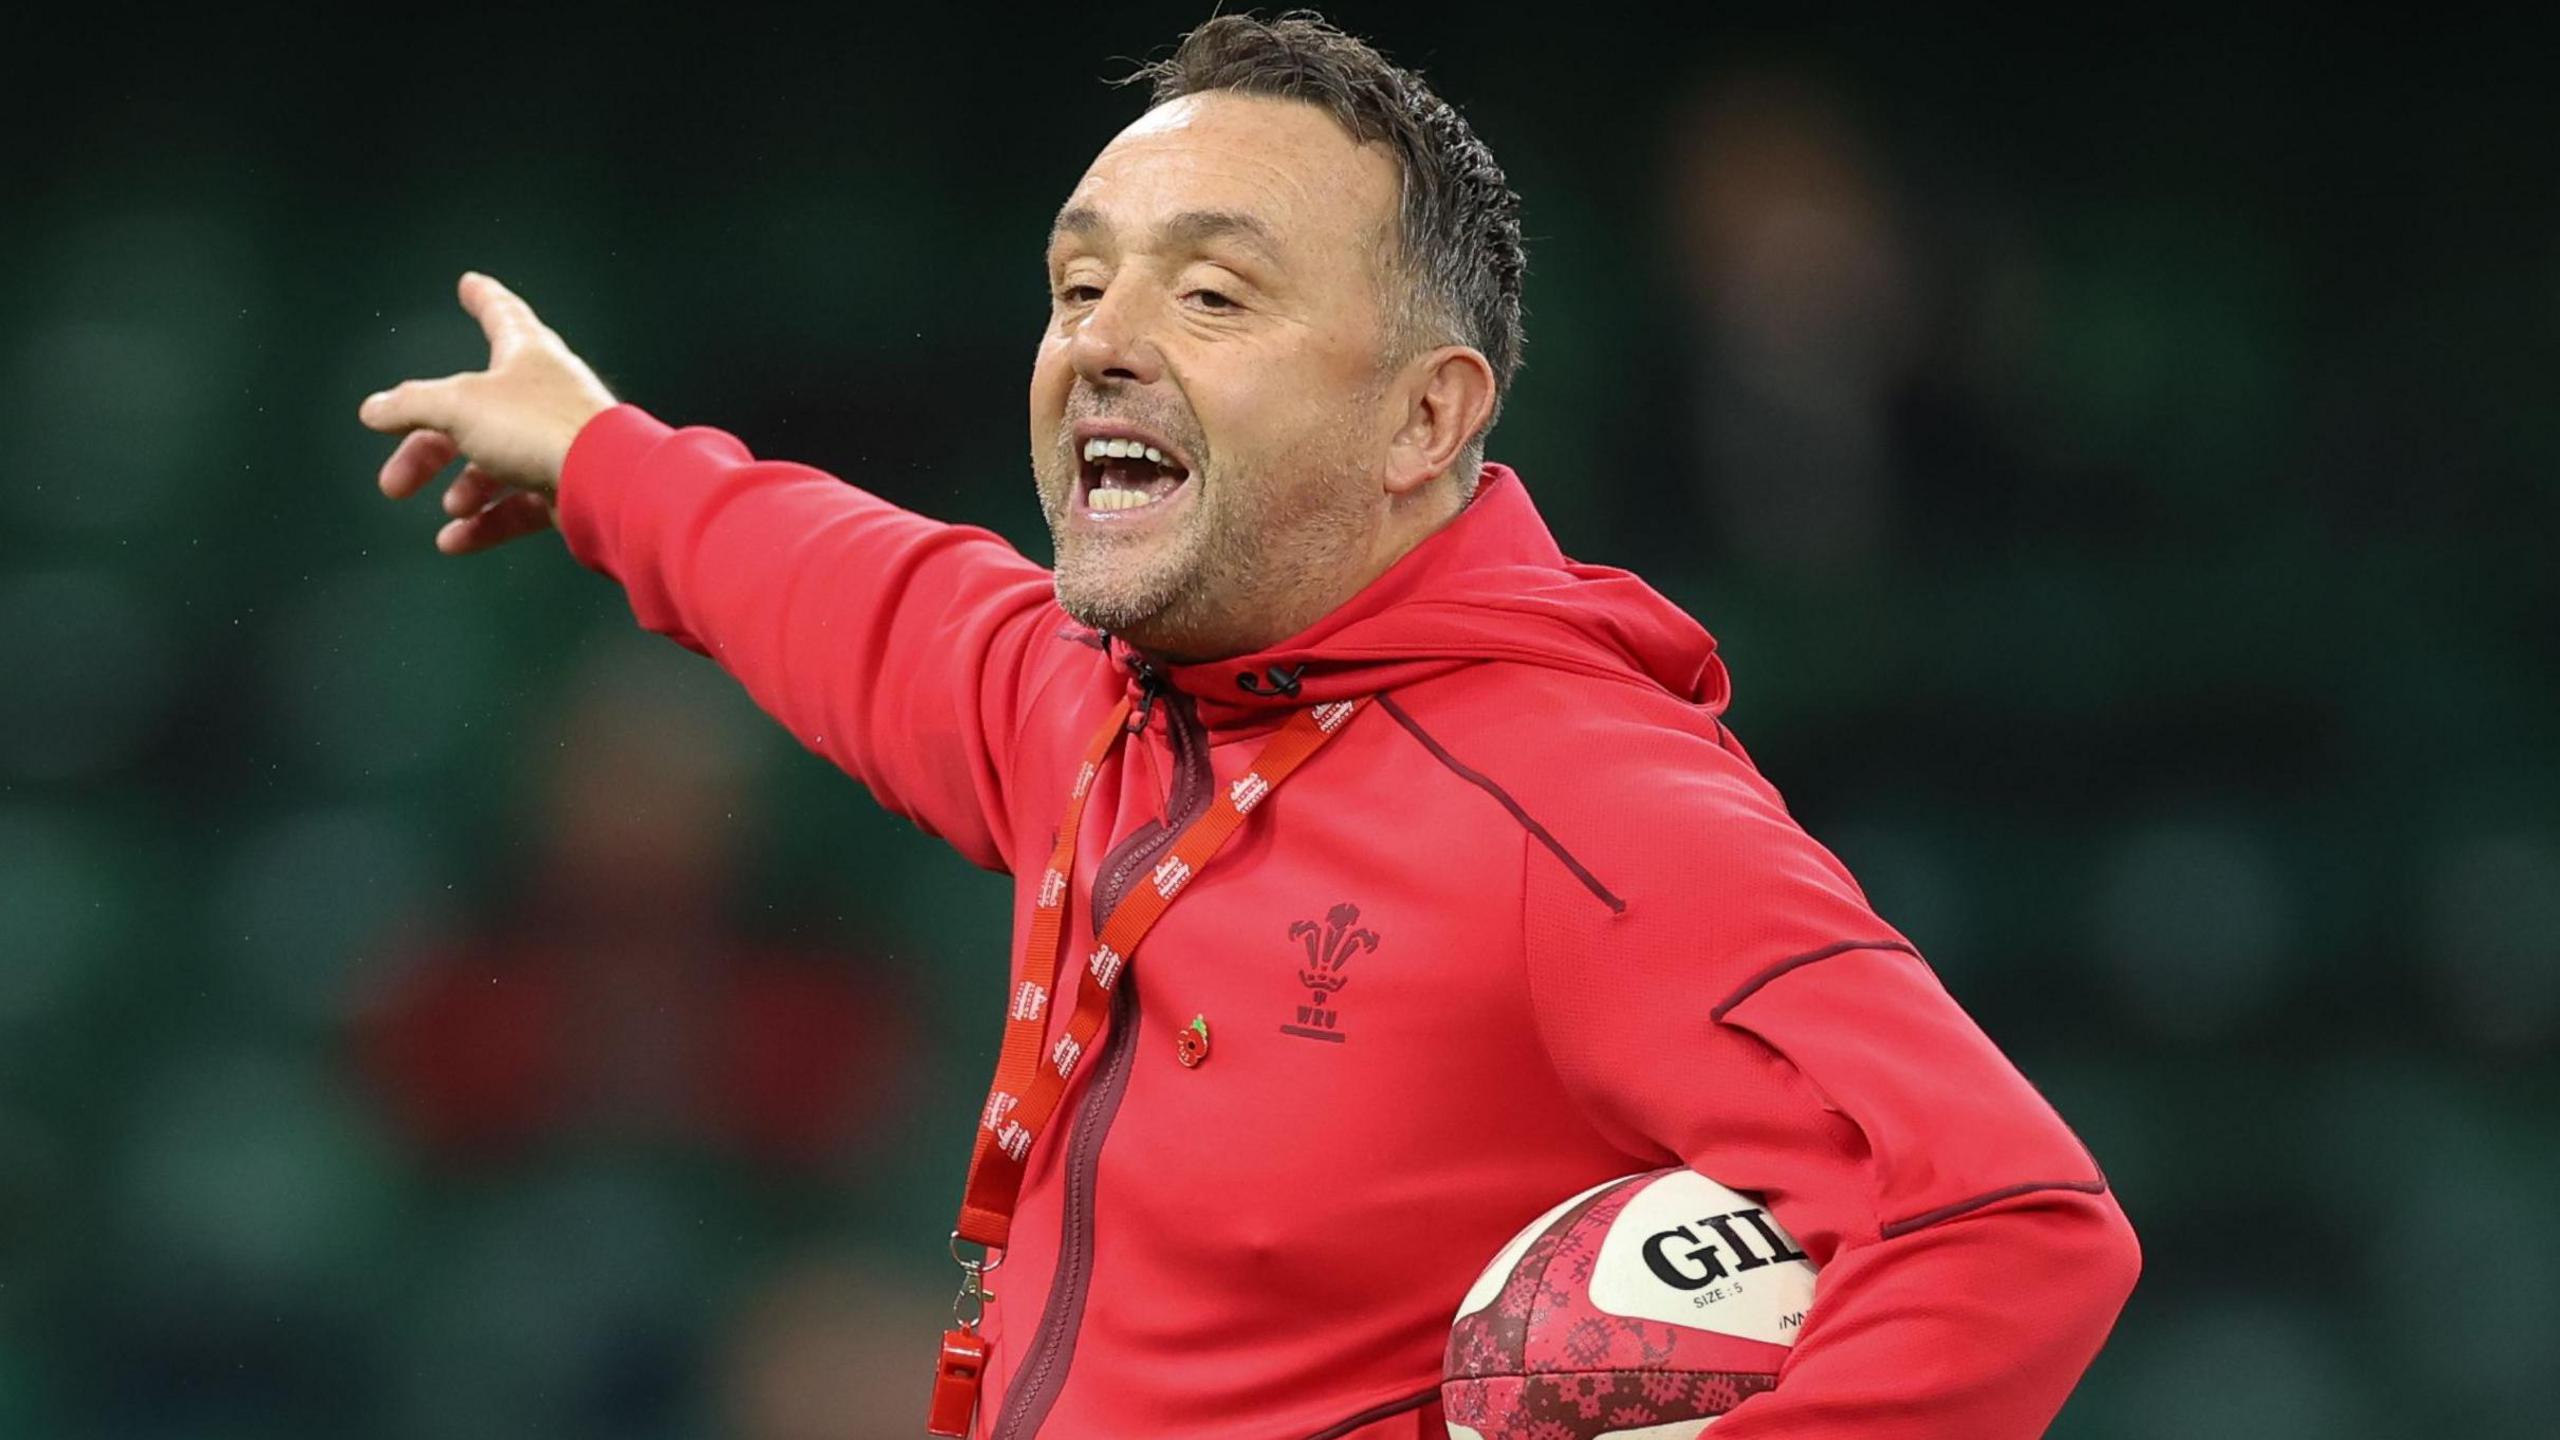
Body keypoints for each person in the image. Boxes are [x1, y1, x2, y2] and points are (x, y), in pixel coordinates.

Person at [357, 13, 2138, 1438]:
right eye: (1079, 287)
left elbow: (2009, 1227)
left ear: (1424, 418)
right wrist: (595, 456)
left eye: (1212, 295)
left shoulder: (1586, 800)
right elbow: (853, 591)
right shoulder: (1098, 701)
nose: (1103, 341)